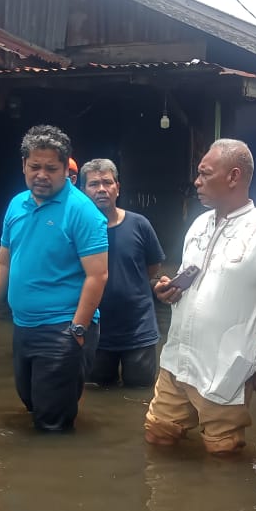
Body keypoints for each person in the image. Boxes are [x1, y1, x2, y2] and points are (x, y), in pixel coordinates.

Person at [145, 139, 256, 455]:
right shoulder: (199, 224)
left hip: (225, 369)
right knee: (158, 436)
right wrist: (169, 291)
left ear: (234, 177)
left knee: (222, 455)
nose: (196, 182)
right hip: (178, 361)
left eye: (204, 174)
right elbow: (192, 282)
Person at [0, 125, 108, 432]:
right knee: (32, 403)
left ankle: (57, 475)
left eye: (51, 168)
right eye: (35, 166)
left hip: (63, 328)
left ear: (66, 168)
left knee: (51, 424)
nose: (42, 174)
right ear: (23, 165)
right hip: (23, 326)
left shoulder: (82, 211)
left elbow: (98, 275)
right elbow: (3, 263)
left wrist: (77, 330)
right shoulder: (17, 204)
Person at [81, 158, 165, 387]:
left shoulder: (139, 225)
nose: (101, 189)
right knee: (97, 393)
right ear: (83, 190)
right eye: (93, 184)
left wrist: (130, 284)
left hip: (138, 329)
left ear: (118, 187)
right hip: (94, 330)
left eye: (107, 183)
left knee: (140, 392)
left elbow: (153, 266)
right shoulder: (77, 229)